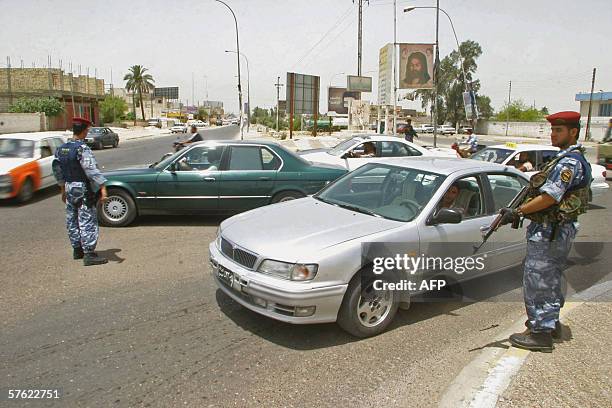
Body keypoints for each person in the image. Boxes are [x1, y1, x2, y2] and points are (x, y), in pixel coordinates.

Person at [499, 111, 591, 352]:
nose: (553, 134)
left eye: (558, 130)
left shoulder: (569, 162)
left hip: (551, 231)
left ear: (573, 132)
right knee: (550, 278)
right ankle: (550, 324)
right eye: (552, 130)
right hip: (555, 230)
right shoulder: (565, 158)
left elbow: (550, 196)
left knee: (538, 279)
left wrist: (518, 212)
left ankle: (541, 334)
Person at [52, 117, 109, 266]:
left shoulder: (61, 149)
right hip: (82, 188)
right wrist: (103, 188)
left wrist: (62, 190)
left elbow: (58, 171)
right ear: (84, 131)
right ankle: (89, 254)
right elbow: (91, 170)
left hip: (69, 187)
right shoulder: (82, 149)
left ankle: (77, 250)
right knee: (86, 219)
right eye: (87, 130)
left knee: (72, 219)